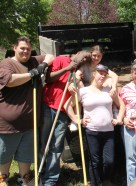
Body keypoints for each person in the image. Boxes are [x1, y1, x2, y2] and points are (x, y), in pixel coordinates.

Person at [0, 36, 54, 185]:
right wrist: (32, 73)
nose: (25, 51)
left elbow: (50, 56)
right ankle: (2, 179)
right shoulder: (6, 64)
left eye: (28, 49)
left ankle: (24, 177)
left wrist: (43, 64)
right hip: (6, 125)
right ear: (15, 48)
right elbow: (10, 81)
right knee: (4, 154)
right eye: (22, 48)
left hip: (29, 122)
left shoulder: (32, 61)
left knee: (26, 153)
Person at [64, 64, 124, 186]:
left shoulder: (109, 91)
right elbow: (67, 106)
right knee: (95, 161)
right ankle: (96, 183)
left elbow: (121, 105)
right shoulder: (83, 91)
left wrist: (119, 119)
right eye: (99, 73)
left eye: (104, 74)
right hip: (92, 131)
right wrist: (77, 120)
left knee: (109, 161)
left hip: (109, 131)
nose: (102, 76)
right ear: (93, 74)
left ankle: (106, 179)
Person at [39, 50, 91, 185]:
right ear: (76, 54)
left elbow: (79, 92)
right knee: (43, 142)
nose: (84, 60)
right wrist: (68, 68)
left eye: (87, 60)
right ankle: (41, 172)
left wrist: (76, 84)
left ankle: (50, 180)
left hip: (63, 111)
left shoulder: (79, 73)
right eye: (83, 57)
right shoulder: (61, 60)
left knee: (56, 146)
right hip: (48, 105)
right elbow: (48, 78)